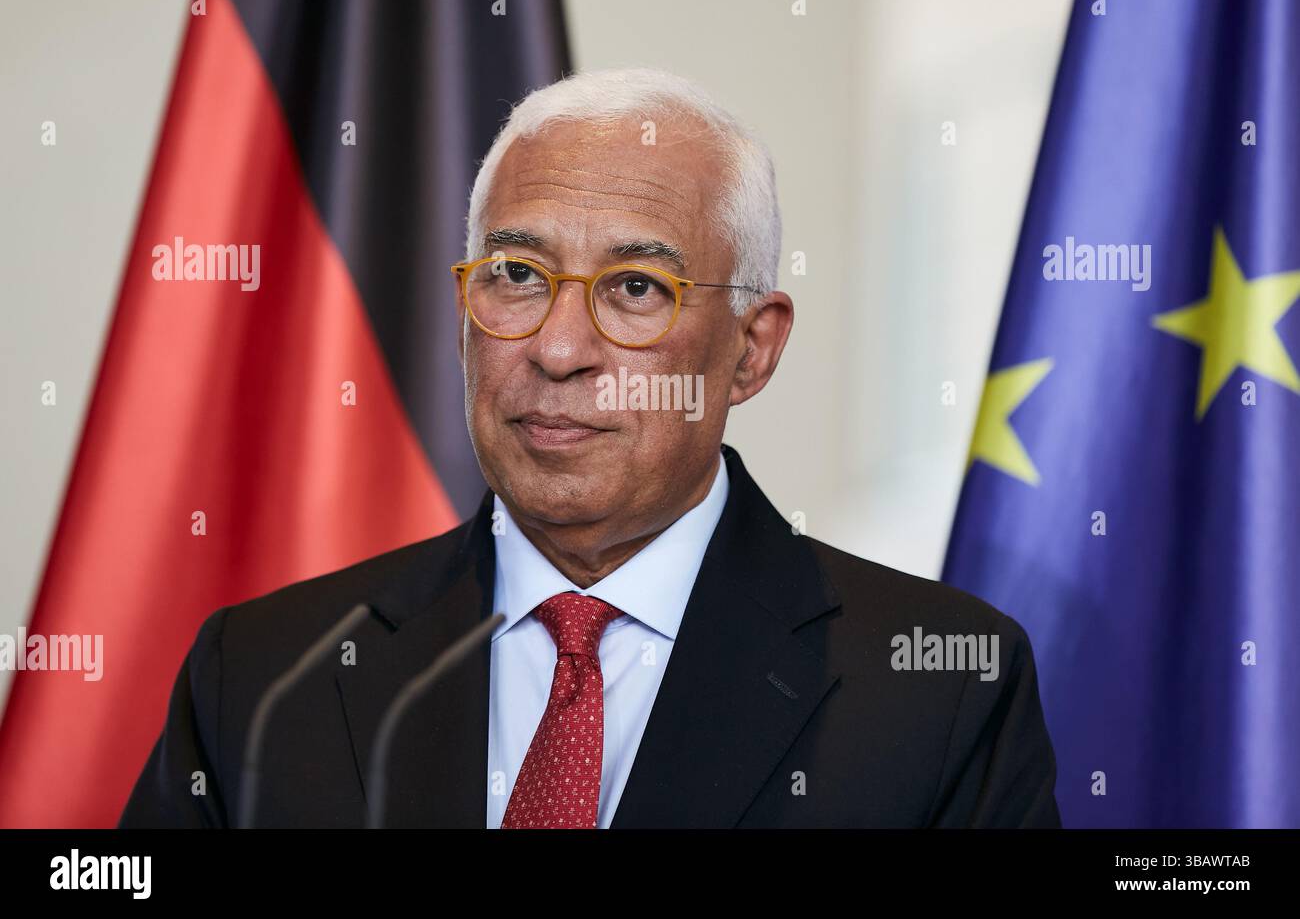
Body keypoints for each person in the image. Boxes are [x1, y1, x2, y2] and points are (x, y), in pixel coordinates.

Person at [120, 68, 1060, 828]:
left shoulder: (937, 694)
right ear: (464, 320)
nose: (559, 349)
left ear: (752, 347)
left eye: (637, 289)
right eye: (518, 275)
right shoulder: (261, 673)